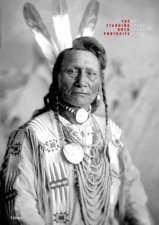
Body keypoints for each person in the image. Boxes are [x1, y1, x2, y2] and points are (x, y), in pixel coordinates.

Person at [0, 36, 153, 225]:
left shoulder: (112, 134)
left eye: (91, 74)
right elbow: (19, 207)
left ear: (100, 84)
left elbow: (133, 198)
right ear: (56, 78)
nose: (82, 81)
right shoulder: (30, 135)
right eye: (72, 71)